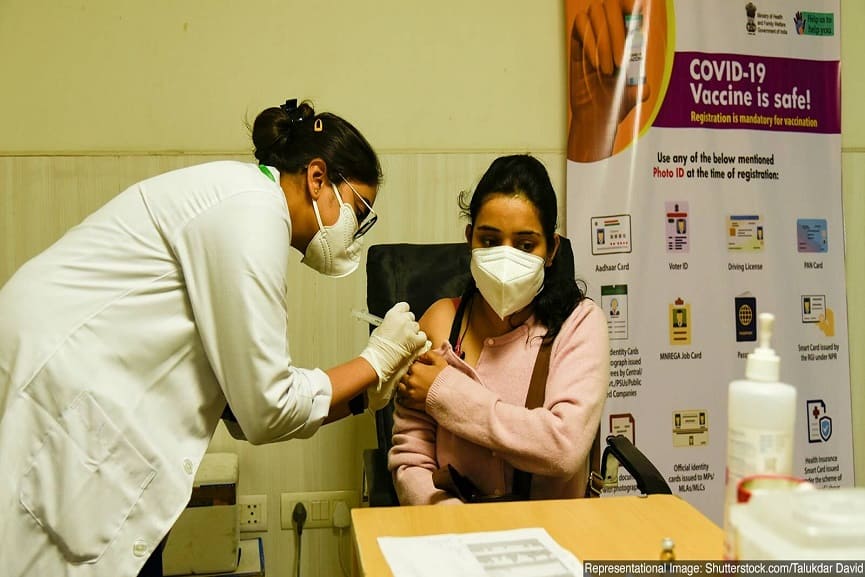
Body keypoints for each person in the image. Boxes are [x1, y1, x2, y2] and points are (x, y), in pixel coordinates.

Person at [0, 99, 427, 577]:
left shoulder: (244, 204)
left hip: (85, 393)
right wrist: (376, 359)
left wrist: (362, 398)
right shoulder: (251, 211)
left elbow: (242, 411)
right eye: (359, 211)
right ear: (317, 177)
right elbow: (267, 409)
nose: (356, 232)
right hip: (62, 388)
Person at [388, 155, 609, 504]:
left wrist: (443, 392)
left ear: (551, 250)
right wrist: (453, 520)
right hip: (452, 527)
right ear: (469, 239)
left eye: (525, 245)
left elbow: (563, 448)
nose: (506, 259)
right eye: (490, 241)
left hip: (552, 528)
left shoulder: (579, 323)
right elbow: (411, 458)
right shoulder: (441, 322)